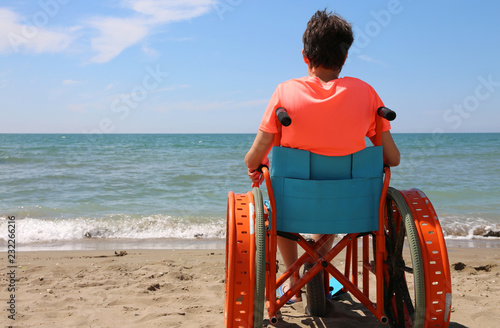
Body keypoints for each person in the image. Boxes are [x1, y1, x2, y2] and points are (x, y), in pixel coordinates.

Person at [244, 9, 400, 301]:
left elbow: (254, 159)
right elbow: (392, 158)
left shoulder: (285, 93)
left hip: (291, 210)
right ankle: (319, 270)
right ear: (344, 57)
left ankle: (293, 279)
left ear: (305, 55)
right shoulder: (366, 93)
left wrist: (255, 165)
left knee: (279, 203)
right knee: (333, 195)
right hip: (353, 210)